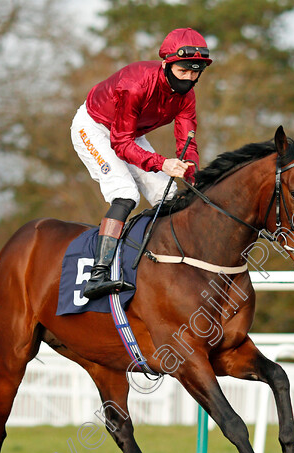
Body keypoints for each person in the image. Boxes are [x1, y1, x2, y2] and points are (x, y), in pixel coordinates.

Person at [70, 28, 212, 300]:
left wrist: (194, 177)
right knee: (125, 194)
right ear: (166, 64)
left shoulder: (187, 97)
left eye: (195, 73)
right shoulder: (136, 84)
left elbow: (187, 146)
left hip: (130, 133)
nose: (189, 79)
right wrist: (162, 163)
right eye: (183, 71)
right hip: (95, 128)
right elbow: (120, 145)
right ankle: (98, 275)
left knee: (170, 196)